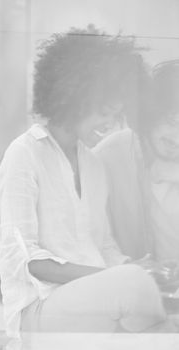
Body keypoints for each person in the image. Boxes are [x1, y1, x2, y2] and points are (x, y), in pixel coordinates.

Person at [0, 26, 171, 337]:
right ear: (74, 97)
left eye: (115, 115)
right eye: (104, 112)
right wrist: (120, 275)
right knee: (135, 288)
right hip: (38, 309)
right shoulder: (23, 154)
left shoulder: (93, 164)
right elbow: (28, 262)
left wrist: (138, 265)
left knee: (148, 293)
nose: (109, 124)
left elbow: (103, 246)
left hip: (93, 303)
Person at [95, 60, 179, 279]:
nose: (176, 137)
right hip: (125, 295)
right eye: (171, 122)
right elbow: (92, 237)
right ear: (152, 113)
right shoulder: (108, 157)